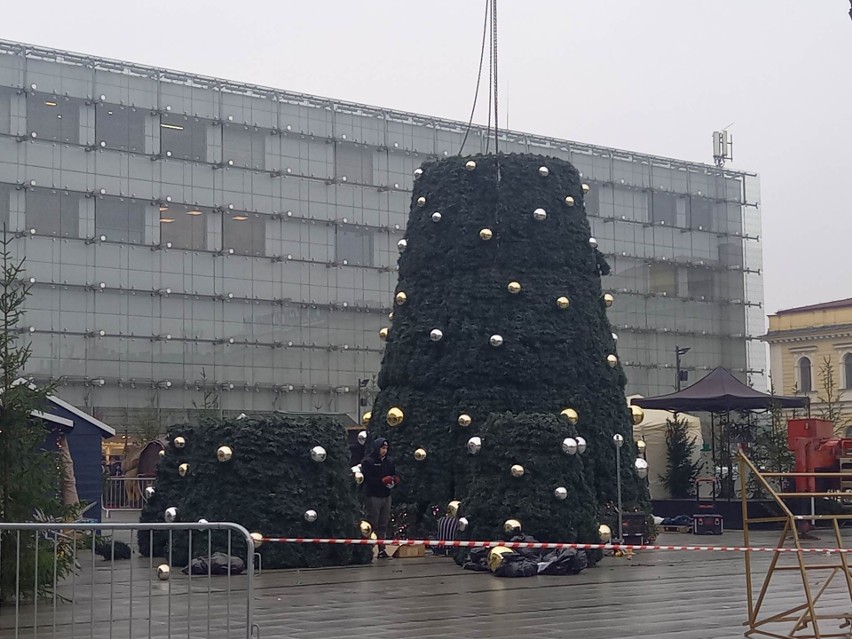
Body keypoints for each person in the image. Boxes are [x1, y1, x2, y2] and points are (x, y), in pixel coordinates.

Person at [361, 437, 399, 559]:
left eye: (386, 448)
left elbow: (393, 473)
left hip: (386, 495)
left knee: (383, 524)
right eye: (382, 448)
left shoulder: (389, 461)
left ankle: (382, 549)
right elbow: (367, 480)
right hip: (373, 496)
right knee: (373, 522)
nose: (384, 451)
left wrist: (395, 479)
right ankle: (367, 549)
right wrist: (381, 481)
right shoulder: (368, 461)